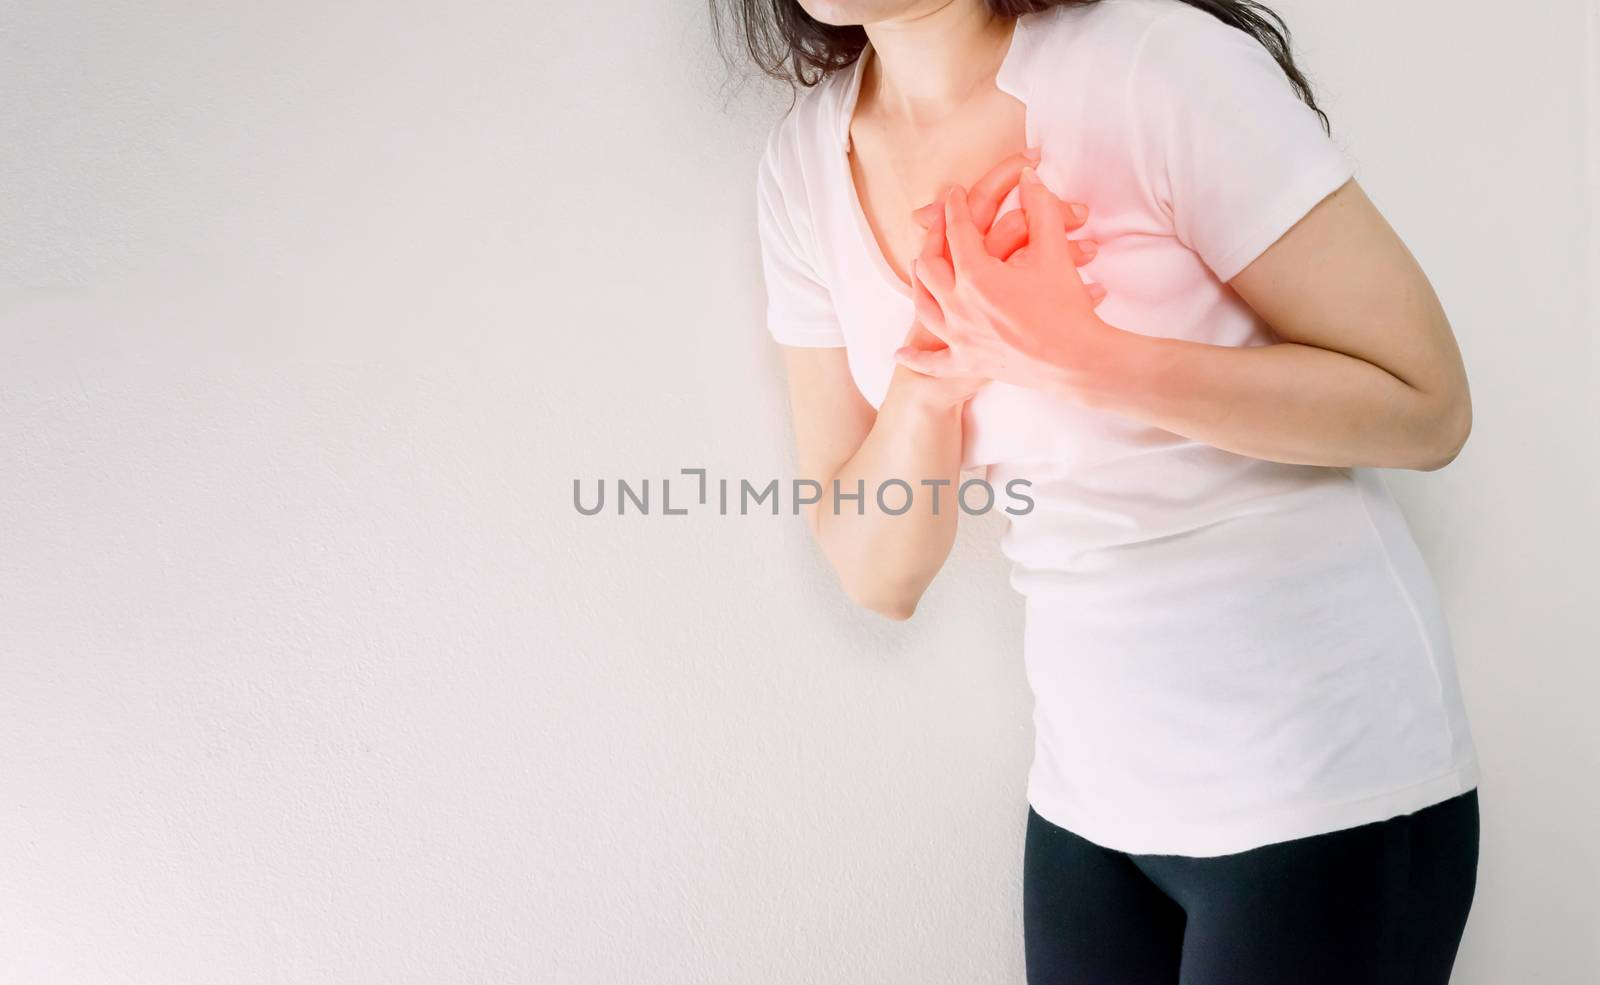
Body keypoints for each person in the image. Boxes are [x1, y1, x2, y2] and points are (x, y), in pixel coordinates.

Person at [726, 0, 1482, 980]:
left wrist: (1084, 357)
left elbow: (1427, 406)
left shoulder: (1153, 68)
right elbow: (877, 573)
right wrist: (933, 373)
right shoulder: (801, 170)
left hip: (1320, 775)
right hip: (1090, 800)